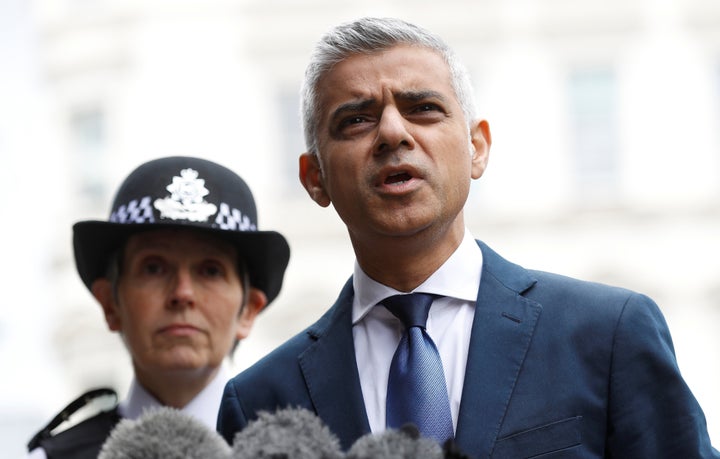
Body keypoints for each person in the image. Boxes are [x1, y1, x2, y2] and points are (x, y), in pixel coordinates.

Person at [217, 16, 719, 458]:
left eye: (423, 108)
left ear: (477, 147)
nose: (393, 132)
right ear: (314, 177)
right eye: (356, 120)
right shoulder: (260, 402)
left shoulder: (608, 334)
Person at [27, 156, 290, 459]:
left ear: (248, 310)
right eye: (153, 268)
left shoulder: (294, 451)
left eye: (210, 270)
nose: (182, 293)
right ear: (110, 303)